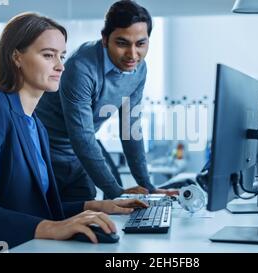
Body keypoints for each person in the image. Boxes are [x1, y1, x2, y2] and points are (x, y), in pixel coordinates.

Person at [0, 12, 146, 253]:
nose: (60, 66)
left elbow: (32, 209)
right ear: (16, 56)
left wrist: (97, 205)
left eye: (62, 56)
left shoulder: (36, 125)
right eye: (48, 55)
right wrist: (53, 228)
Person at [36, 0, 178, 202]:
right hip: (47, 149)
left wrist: (148, 186)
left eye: (140, 43)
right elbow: (82, 137)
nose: (132, 54)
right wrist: (116, 192)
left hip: (81, 146)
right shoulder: (81, 67)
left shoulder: (138, 68)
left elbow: (131, 129)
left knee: (107, 201)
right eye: (122, 43)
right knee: (67, 209)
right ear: (105, 39)